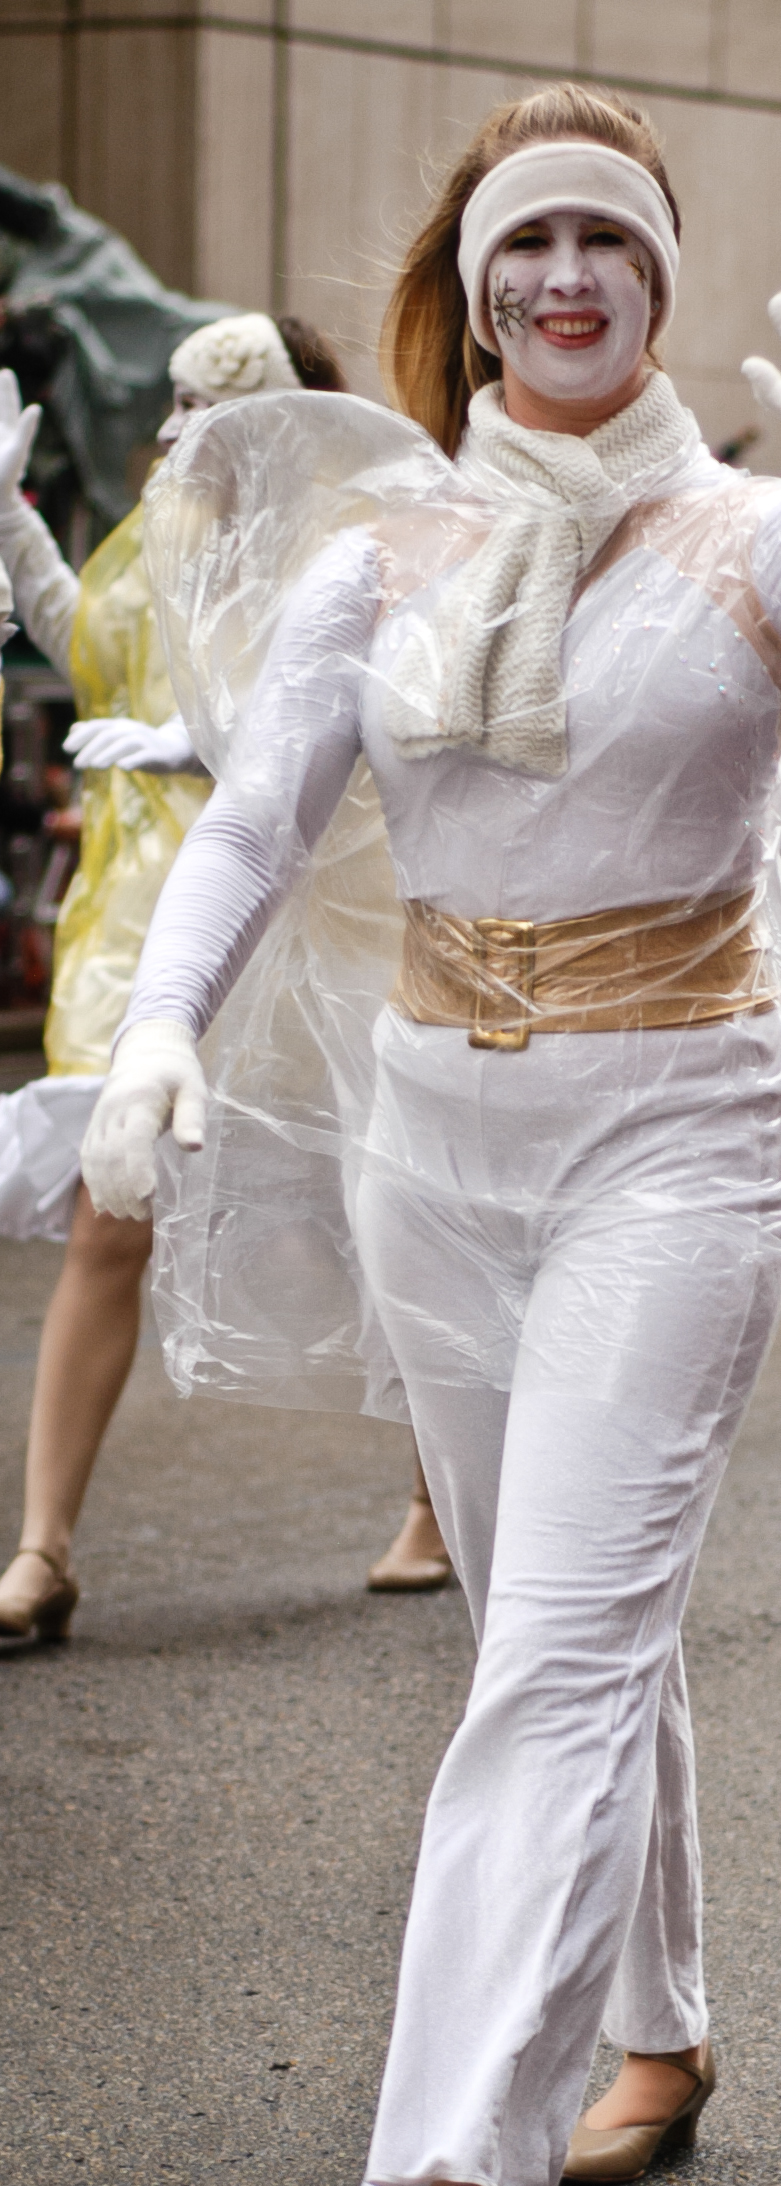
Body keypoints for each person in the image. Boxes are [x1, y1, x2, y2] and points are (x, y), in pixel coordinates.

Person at [79, 81, 781, 2186]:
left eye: (610, 238)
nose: (568, 276)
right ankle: (660, 2029)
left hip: (678, 1134)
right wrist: (157, 1029)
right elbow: (254, 817)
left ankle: (461, 2159)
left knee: (563, 1648)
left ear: (663, 280)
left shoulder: (768, 534)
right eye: (529, 241)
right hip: (437, 1144)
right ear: (476, 282)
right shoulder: (385, 549)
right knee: (564, 1617)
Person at [0, 313, 443, 1637]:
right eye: (177, 402)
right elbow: (93, 645)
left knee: (385, 1220)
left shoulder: (364, 548)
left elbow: (358, 727)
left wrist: (203, 744)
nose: (177, 429)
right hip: (157, 934)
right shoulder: (172, 542)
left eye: (208, 404)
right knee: (112, 1209)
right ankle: (42, 1550)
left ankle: (444, 1495)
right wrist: (15, 527)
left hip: (322, 942)